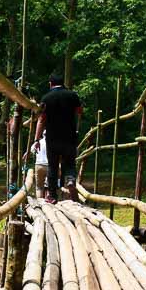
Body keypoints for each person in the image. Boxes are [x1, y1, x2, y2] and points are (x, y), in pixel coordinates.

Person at [34, 73, 82, 203]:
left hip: (52, 137)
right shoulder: (73, 95)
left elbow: (41, 120)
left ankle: (53, 196)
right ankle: (70, 179)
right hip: (70, 136)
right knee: (70, 162)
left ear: (51, 83)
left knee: (53, 166)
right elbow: (79, 111)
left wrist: (37, 139)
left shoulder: (46, 98)